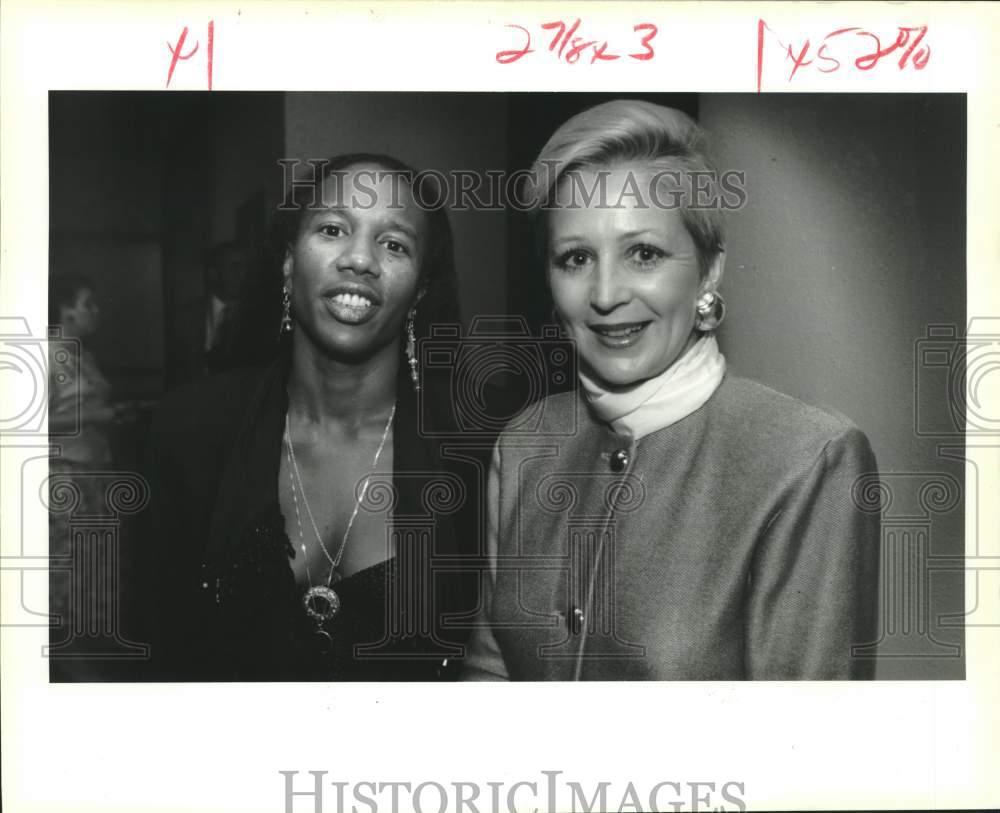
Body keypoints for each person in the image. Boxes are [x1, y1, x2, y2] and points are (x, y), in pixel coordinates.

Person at [463, 100, 881, 680]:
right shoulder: (525, 444)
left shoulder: (808, 459)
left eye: (644, 253)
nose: (606, 293)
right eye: (576, 257)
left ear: (708, 271)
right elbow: (489, 676)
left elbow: (805, 755)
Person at [146, 153, 493, 681]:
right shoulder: (190, 430)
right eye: (333, 229)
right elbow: (156, 649)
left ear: (421, 288)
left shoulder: (480, 450)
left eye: (394, 243)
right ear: (288, 261)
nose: (359, 259)